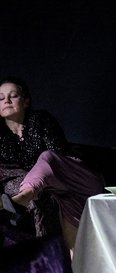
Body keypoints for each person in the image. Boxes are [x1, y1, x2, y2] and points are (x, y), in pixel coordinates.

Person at [0, 76, 104, 251]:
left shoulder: (41, 120)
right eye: (1, 98)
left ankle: (22, 198)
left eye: (13, 96)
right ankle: (49, 260)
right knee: (72, 253)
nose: (6, 101)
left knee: (47, 157)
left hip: (75, 179)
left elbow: (57, 158)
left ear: (26, 101)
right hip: (56, 193)